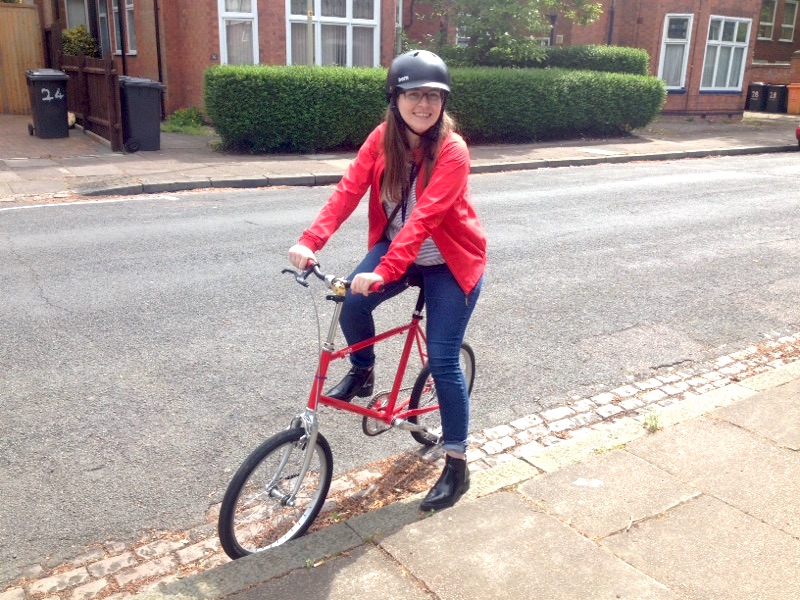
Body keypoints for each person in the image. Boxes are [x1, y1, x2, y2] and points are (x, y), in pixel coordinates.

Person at [288, 50, 487, 511]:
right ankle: (363, 372)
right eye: (415, 94)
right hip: (398, 254)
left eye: (434, 97)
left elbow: (424, 218)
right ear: (395, 98)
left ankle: (457, 465)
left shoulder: (452, 150)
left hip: (450, 262)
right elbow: (347, 192)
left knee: (442, 360)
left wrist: (384, 271)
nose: (424, 104)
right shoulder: (381, 140)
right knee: (351, 302)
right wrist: (310, 241)